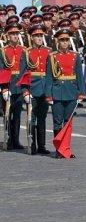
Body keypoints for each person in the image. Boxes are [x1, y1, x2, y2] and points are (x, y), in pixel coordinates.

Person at [44, 28, 86, 158]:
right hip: (57, 92)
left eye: (66, 40)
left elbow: (79, 75)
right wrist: (48, 95)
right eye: (62, 40)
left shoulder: (75, 56)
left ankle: (66, 148)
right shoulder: (52, 57)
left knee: (68, 122)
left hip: (71, 92)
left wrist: (81, 93)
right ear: (58, 42)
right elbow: (49, 77)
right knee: (57, 122)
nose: (64, 42)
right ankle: (58, 150)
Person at [0, 21, 28, 149]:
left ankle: (15, 139)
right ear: (8, 35)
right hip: (9, 85)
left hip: (19, 86)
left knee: (17, 114)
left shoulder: (24, 50)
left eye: (17, 34)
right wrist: (4, 88)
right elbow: (2, 70)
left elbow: (26, 70)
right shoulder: (3, 51)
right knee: (7, 113)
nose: (15, 36)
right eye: (12, 34)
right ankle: (8, 139)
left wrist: (26, 88)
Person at [24, 25, 52, 154]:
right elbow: (23, 73)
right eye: (37, 36)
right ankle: (32, 145)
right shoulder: (27, 52)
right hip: (33, 88)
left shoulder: (49, 51)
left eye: (41, 36)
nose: (39, 38)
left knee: (42, 117)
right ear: (32, 38)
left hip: (45, 89)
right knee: (32, 117)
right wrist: (25, 91)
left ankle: (42, 145)